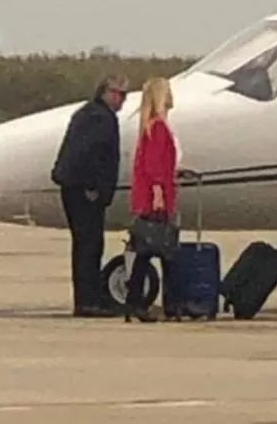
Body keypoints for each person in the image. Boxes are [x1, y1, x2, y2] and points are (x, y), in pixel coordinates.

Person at [50, 74, 129, 317]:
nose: (122, 101)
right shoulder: (99, 118)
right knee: (89, 245)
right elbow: (87, 155)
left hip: (77, 188)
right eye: (119, 94)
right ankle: (87, 302)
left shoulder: (89, 114)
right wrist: (93, 187)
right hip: (84, 191)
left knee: (88, 244)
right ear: (106, 92)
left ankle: (89, 298)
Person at [125, 77, 187, 323]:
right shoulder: (159, 127)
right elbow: (154, 165)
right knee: (166, 251)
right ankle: (171, 304)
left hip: (151, 193)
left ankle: (135, 303)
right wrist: (160, 191)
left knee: (145, 251)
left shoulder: (150, 127)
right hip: (156, 197)